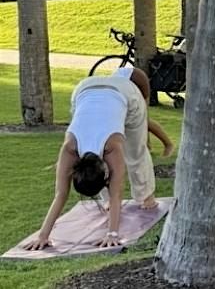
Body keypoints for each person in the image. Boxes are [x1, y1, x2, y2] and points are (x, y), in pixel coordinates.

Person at [27, 66, 174, 251]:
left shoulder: (111, 145)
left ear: (105, 173)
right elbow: (60, 195)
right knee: (128, 160)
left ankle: (147, 198)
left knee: (136, 152)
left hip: (125, 92)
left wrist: (112, 234)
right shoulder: (69, 148)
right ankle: (111, 202)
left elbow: (117, 192)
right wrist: (43, 235)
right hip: (84, 89)